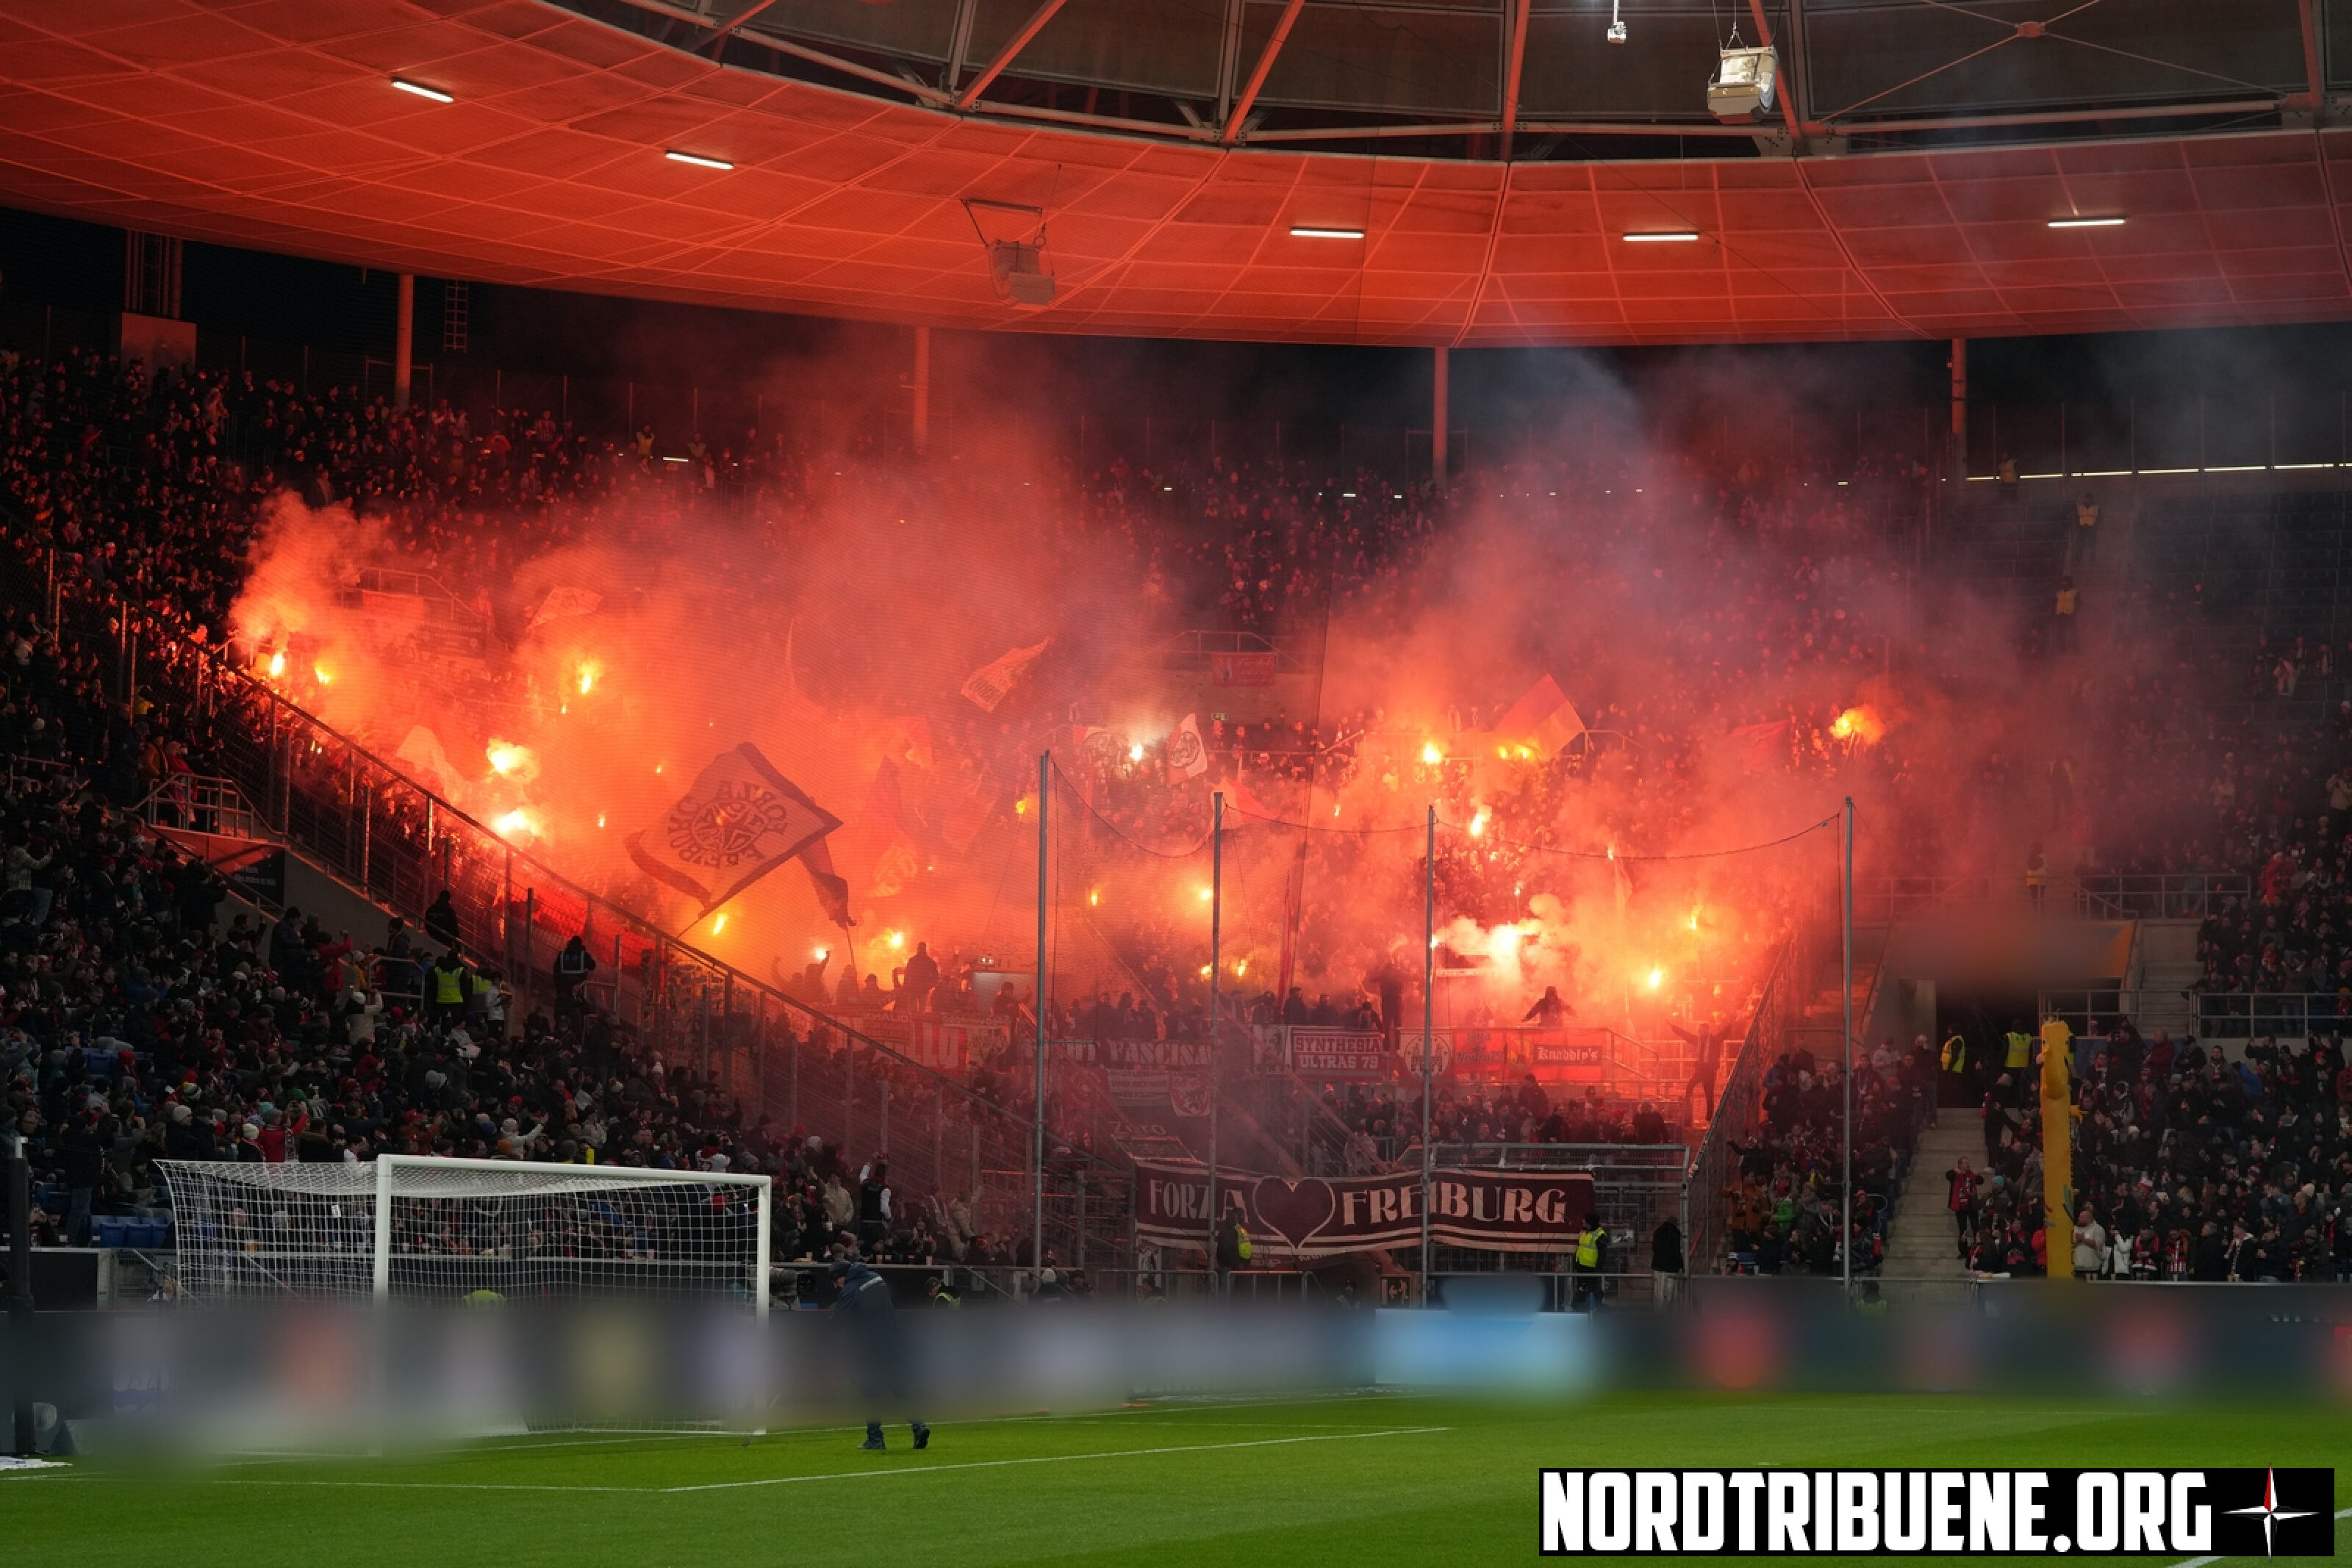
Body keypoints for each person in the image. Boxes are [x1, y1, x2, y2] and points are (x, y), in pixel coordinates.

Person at [831, 1256, 928, 1452]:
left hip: (869, 1348)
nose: (836, 1286)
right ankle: (919, 1426)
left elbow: (839, 1321)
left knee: (870, 1394)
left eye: (836, 1281)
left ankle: (875, 1439)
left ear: (841, 1277)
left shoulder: (851, 1290)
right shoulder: (876, 1278)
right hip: (893, 1342)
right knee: (899, 1389)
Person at [552, 935, 596, 1021]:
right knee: (578, 1009)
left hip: (563, 987)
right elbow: (592, 965)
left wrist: (558, 988)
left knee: (563, 1009)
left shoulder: (562, 955)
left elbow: (556, 972)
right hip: (579, 988)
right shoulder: (584, 955)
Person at [1571, 1213, 1608, 1312]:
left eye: (1585, 1220)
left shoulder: (1600, 1235)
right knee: (1582, 1289)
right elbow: (1580, 1248)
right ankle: (1581, 1310)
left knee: (1594, 1290)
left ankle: (1598, 1310)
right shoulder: (1583, 1232)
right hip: (1581, 1267)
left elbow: (1602, 1254)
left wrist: (1598, 1268)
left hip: (1592, 1268)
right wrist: (1575, 1262)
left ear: (1589, 1222)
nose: (1582, 1221)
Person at [1649, 1215, 1684, 1310]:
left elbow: (1654, 1248)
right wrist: (1681, 1265)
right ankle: (1665, 1314)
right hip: (1670, 1268)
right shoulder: (1675, 1234)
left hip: (1657, 1267)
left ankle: (1657, 1315)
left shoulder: (1657, 1232)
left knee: (1658, 1293)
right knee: (1668, 1294)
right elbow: (1676, 1252)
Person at [424, 888, 461, 954]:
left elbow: (427, 923)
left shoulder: (431, 909)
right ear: (448, 899)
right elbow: (454, 928)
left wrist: (432, 933)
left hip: (432, 938)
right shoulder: (449, 911)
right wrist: (458, 944)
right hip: (445, 941)